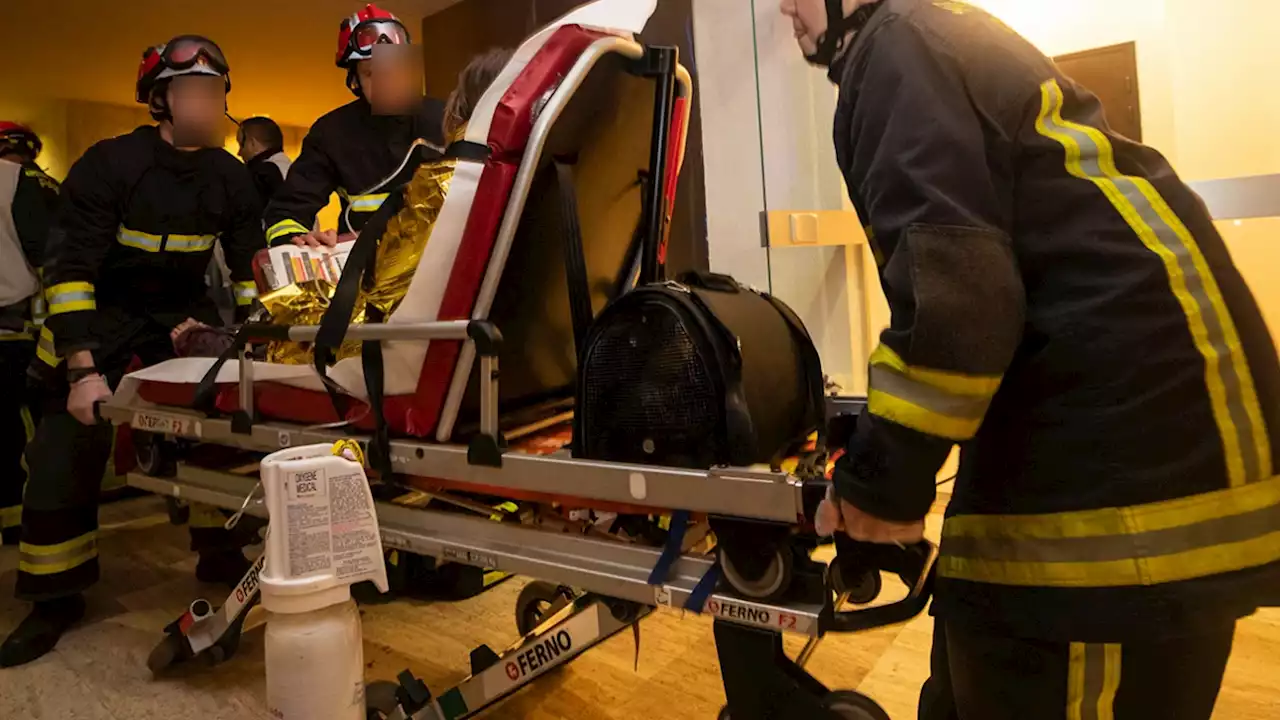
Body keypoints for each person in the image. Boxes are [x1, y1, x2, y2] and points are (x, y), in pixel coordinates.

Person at [782, 1, 1280, 718]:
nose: (779, 7)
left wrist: (880, 487)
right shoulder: (939, 35)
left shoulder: (896, 45)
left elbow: (957, 303)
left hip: (1114, 490)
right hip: (1123, 442)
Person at [0, 35, 266, 668]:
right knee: (68, 442)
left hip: (180, 317)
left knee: (216, 427)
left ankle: (220, 549)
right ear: (160, 102)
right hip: (99, 320)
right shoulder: (110, 164)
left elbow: (250, 269)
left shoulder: (231, 178)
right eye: (195, 90)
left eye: (216, 90)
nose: (210, 101)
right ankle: (56, 596)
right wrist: (83, 369)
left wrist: (240, 335)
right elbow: (68, 273)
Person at [263, 3, 445, 249]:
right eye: (372, 72)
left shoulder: (446, 118)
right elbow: (287, 211)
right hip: (367, 271)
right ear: (355, 81)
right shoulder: (331, 134)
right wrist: (296, 240)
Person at [0, 122, 59, 547]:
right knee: (46, 435)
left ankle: (8, 521)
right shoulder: (37, 184)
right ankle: (39, 523)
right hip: (31, 333)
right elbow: (52, 256)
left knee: (2, 435)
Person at [236, 116, 291, 202]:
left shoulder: (263, 173)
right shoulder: (291, 169)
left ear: (252, 143)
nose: (239, 153)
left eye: (241, 145)